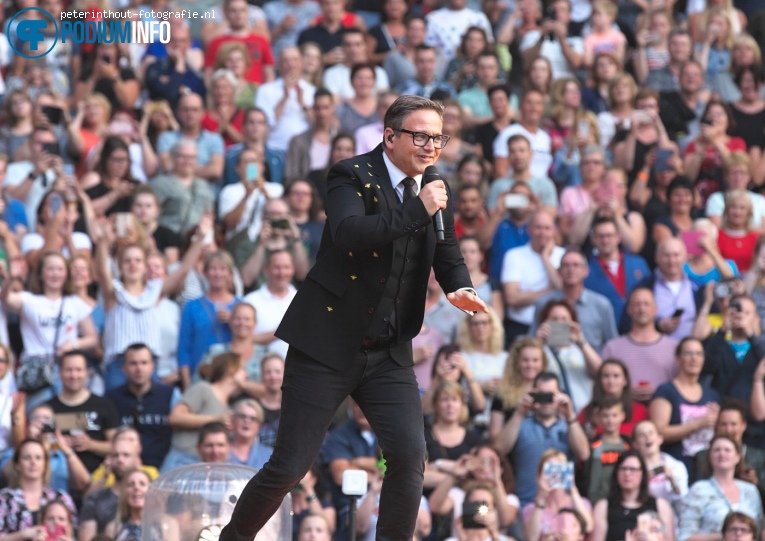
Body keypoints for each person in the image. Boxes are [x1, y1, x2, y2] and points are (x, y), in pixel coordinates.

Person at [219, 94, 486, 541]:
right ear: (389, 135)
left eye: (438, 137)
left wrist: (461, 286)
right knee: (290, 465)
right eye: (420, 135)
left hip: (388, 350)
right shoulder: (350, 175)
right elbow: (348, 236)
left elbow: (447, 251)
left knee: (408, 457)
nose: (431, 146)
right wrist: (418, 208)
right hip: (327, 344)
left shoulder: (436, 186)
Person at [494, 372, 591, 507]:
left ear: (560, 395)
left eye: (551, 395)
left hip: (561, 506)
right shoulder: (520, 423)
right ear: (532, 394)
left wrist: (570, 416)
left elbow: (584, 454)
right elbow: (498, 451)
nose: (546, 400)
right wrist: (519, 413)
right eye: (541, 395)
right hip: (526, 503)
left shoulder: (569, 426)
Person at [649, 337, 721, 475]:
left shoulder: (712, 394)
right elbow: (658, 432)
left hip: (706, 468)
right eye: (688, 353)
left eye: (699, 354)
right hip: (676, 467)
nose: (694, 359)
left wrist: (719, 422)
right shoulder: (666, 391)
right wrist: (697, 423)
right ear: (678, 358)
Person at [161, 352, 243, 472]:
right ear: (231, 370)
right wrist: (215, 419)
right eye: (243, 369)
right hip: (182, 461)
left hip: (205, 466)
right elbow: (175, 417)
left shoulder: (228, 405)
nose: (247, 374)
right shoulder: (203, 389)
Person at [678, 435, 763, 541]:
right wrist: (726, 535)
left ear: (737, 457)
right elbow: (685, 537)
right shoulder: (699, 490)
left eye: (727, 450)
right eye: (717, 450)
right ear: (709, 456)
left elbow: (759, 531)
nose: (722, 454)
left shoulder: (751, 491)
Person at [601, 288, 679, 404]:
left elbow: (683, 385)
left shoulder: (674, 347)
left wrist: (660, 392)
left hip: (664, 413)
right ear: (629, 310)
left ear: (655, 309)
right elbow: (601, 384)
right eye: (637, 304)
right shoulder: (612, 348)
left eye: (647, 304)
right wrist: (625, 392)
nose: (642, 309)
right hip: (622, 414)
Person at [531, 248, 618, 352]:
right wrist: (538, 339)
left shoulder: (601, 304)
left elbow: (612, 344)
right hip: (553, 364)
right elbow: (531, 340)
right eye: (566, 265)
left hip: (591, 365)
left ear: (586, 271)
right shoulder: (544, 303)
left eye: (576, 265)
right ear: (558, 271)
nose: (571, 269)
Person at [110, 343, 180, 469]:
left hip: (165, 470)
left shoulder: (170, 394)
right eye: (133, 363)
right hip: (124, 472)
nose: (139, 368)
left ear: (152, 366)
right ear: (123, 368)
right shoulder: (111, 399)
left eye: (144, 363)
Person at [501, 210, 564, 342]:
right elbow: (512, 298)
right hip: (521, 326)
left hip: (557, 326)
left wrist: (545, 258)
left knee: (558, 362)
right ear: (529, 229)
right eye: (538, 228)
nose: (542, 233)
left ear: (554, 231)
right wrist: (552, 292)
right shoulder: (514, 255)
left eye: (547, 228)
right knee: (525, 362)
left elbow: (563, 290)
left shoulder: (563, 255)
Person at [534, 299, 603, 414]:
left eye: (564, 319)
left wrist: (581, 342)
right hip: (550, 414)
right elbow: (527, 375)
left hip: (582, 413)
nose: (559, 323)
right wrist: (538, 343)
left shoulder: (581, 349)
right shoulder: (540, 350)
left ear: (573, 322)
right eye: (554, 319)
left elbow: (600, 372)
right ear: (544, 322)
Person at [0, 439, 77, 541]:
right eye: (27, 458)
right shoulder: (4, 498)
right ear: (17, 464)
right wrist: (24, 534)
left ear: (45, 464)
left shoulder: (61, 497)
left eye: (38, 458)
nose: (33, 462)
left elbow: (75, 534)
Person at [590, 451, 675, 541]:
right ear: (616, 472)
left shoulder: (661, 506)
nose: (627, 473)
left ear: (643, 473)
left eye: (633, 469)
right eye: (623, 469)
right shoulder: (603, 506)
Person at [584, 216, 651, 325]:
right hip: (604, 329)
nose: (605, 240)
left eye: (609, 235)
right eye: (600, 236)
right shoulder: (586, 270)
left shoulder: (638, 263)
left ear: (618, 237)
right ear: (593, 239)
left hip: (637, 329)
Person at [522, 450, 594, 541]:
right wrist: (541, 496)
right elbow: (531, 538)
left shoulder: (580, 503)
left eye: (558, 469)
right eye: (548, 470)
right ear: (539, 475)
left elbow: (588, 527)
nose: (553, 474)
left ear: (566, 471)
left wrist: (572, 489)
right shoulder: (531, 509)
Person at [631, 420, 689, 509]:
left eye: (651, 433)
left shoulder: (676, 466)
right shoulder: (631, 469)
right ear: (635, 444)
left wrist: (672, 481)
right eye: (642, 435)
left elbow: (684, 504)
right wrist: (642, 482)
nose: (647, 437)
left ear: (660, 439)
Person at [583, 396, 631, 503]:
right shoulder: (592, 445)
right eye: (605, 416)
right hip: (597, 501)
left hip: (623, 502)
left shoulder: (629, 445)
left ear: (622, 416)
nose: (610, 420)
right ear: (598, 418)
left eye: (614, 415)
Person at [104, 469, 151, 541]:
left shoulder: (165, 525)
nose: (136, 488)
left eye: (142, 484)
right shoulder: (113, 528)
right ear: (124, 493)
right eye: (131, 484)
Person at [228, 399, 273, 470]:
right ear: (233, 420)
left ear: (259, 426)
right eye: (242, 416)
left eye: (253, 419)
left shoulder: (269, 455)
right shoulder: (219, 449)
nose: (247, 421)